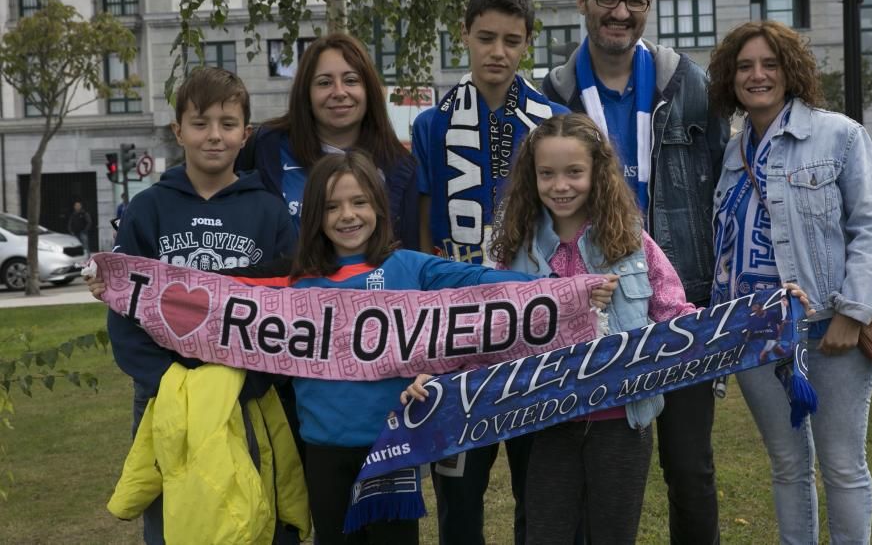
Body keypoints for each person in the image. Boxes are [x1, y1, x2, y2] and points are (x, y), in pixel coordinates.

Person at [226, 151, 615, 545]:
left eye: (359, 202)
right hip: (323, 450)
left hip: (392, 445)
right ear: (313, 215)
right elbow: (222, 301)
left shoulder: (410, 268)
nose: (348, 215)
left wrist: (564, 290)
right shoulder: (295, 284)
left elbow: (485, 284)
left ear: (378, 206)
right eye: (332, 206)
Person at [541, 0, 728, 544]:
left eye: (634, 0)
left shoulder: (690, 83)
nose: (620, 12)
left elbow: (724, 183)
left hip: (681, 298)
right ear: (583, 2)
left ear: (648, 7)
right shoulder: (552, 94)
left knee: (691, 470)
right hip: (593, 309)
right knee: (593, 466)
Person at [707, 21, 872, 544]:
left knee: (841, 465)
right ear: (730, 77)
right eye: (745, 66)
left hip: (828, 330)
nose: (757, 75)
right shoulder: (733, 151)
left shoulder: (840, 134)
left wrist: (853, 313)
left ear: (791, 72)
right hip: (756, 334)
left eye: (769, 64)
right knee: (787, 465)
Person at [104, 67, 298, 544]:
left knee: (251, 511)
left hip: (243, 394)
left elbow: (290, 308)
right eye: (201, 122)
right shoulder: (147, 210)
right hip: (164, 395)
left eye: (228, 123)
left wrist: (248, 380)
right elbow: (125, 311)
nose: (214, 135)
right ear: (178, 131)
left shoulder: (269, 211)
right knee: (173, 517)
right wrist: (168, 382)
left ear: (245, 133)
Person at [410, 0, 568, 545]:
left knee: (539, 485)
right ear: (465, 37)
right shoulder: (432, 124)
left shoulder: (552, 120)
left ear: (527, 42)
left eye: (511, 40)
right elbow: (427, 226)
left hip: (535, 324)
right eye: (486, 38)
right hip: (459, 331)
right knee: (458, 487)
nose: (498, 52)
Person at [490, 113, 695, 545]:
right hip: (549, 423)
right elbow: (496, 332)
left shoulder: (632, 240)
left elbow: (674, 313)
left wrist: (761, 312)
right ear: (532, 177)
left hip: (623, 423)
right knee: (545, 534)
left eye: (574, 172)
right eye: (547, 174)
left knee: (613, 535)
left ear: (597, 173)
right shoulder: (517, 252)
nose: (560, 186)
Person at [238, 32, 419, 249]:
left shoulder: (398, 166)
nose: (339, 92)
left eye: (351, 80)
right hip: (277, 281)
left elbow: (409, 255)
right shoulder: (264, 147)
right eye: (324, 83)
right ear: (306, 94)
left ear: (368, 90)